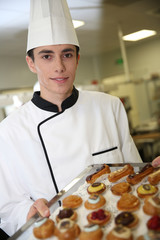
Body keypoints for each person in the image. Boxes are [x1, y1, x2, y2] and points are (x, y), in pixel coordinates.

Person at [0, 0, 145, 238]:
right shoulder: (8, 131)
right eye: (47, 56)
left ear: (77, 58)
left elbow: (133, 178)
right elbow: (6, 210)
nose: (59, 67)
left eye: (66, 54)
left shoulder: (109, 106)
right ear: (31, 63)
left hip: (120, 229)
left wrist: (153, 173)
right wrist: (26, 211)